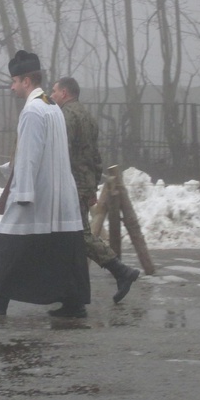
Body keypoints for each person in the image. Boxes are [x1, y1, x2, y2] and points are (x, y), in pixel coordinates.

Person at [0, 50, 91, 318]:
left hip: (36, 194)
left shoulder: (33, 111)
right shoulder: (51, 106)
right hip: (59, 195)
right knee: (61, 249)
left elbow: (29, 156)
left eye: (14, 81)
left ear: (26, 80)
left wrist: (21, 193)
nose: (12, 87)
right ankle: (74, 302)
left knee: (3, 244)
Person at [50, 77, 140, 303]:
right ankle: (69, 291)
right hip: (83, 181)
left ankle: (121, 271)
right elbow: (94, 156)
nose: (51, 95)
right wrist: (92, 185)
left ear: (64, 93)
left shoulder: (66, 116)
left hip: (71, 183)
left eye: (54, 91)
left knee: (80, 235)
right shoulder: (88, 117)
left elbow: (64, 152)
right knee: (71, 236)